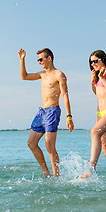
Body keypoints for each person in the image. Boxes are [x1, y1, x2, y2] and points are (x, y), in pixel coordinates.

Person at [18, 48, 74, 177]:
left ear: (49, 58)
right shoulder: (42, 74)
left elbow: (65, 95)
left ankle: (56, 177)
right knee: (31, 143)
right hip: (41, 112)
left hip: (52, 112)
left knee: (49, 146)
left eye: (41, 59)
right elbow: (24, 76)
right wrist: (22, 59)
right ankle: (45, 171)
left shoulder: (59, 74)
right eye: (38, 60)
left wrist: (69, 116)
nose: (39, 62)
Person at [80, 50, 106, 179]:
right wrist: (94, 81)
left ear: (102, 59)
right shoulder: (97, 74)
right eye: (91, 62)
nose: (93, 64)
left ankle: (91, 167)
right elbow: (98, 93)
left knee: (94, 132)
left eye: (95, 61)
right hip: (100, 113)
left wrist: (102, 77)